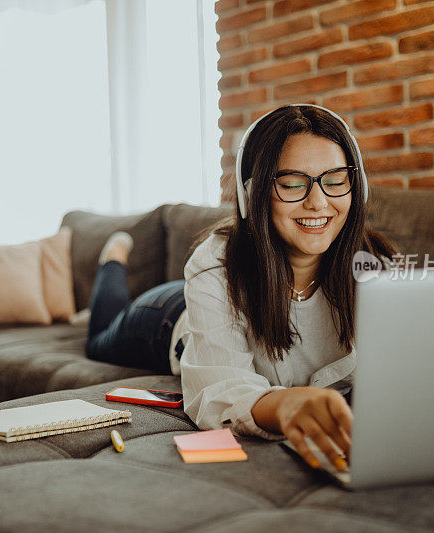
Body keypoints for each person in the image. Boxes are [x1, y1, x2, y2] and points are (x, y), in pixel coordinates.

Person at [85, 104, 396, 470]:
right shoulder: (213, 264)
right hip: (168, 320)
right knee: (99, 334)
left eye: (336, 179)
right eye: (292, 183)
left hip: (193, 299)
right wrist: (284, 405)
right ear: (254, 195)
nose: (318, 201)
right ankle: (114, 259)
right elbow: (218, 388)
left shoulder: (377, 269)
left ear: (355, 187)